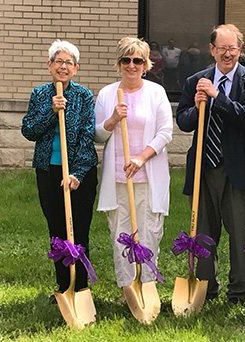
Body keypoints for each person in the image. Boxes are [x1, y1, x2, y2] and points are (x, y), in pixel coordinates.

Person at [176, 24, 245, 305]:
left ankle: (238, 293)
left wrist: (218, 98)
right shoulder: (196, 80)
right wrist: (197, 105)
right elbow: (183, 121)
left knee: (241, 233)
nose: (228, 54)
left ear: (240, 49)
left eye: (233, 48)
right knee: (202, 232)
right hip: (204, 167)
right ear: (212, 50)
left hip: (237, 169)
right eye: (222, 48)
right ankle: (204, 288)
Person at [94, 37, 173, 297]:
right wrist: (113, 119)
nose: (131, 65)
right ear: (119, 63)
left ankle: (146, 288)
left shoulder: (155, 92)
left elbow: (165, 132)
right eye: (126, 60)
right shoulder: (107, 94)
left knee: (149, 233)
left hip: (148, 178)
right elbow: (97, 135)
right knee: (122, 235)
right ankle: (127, 290)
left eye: (137, 60)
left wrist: (140, 158)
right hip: (117, 178)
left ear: (146, 64)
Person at [21, 40, 99, 294]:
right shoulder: (39, 95)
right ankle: (64, 286)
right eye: (59, 61)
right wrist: (51, 111)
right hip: (48, 171)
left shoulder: (84, 96)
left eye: (69, 63)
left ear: (76, 68)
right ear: (49, 65)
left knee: (78, 230)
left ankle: (81, 289)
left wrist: (76, 173)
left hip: (79, 173)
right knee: (57, 230)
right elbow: (29, 131)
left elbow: (88, 139)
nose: (63, 67)